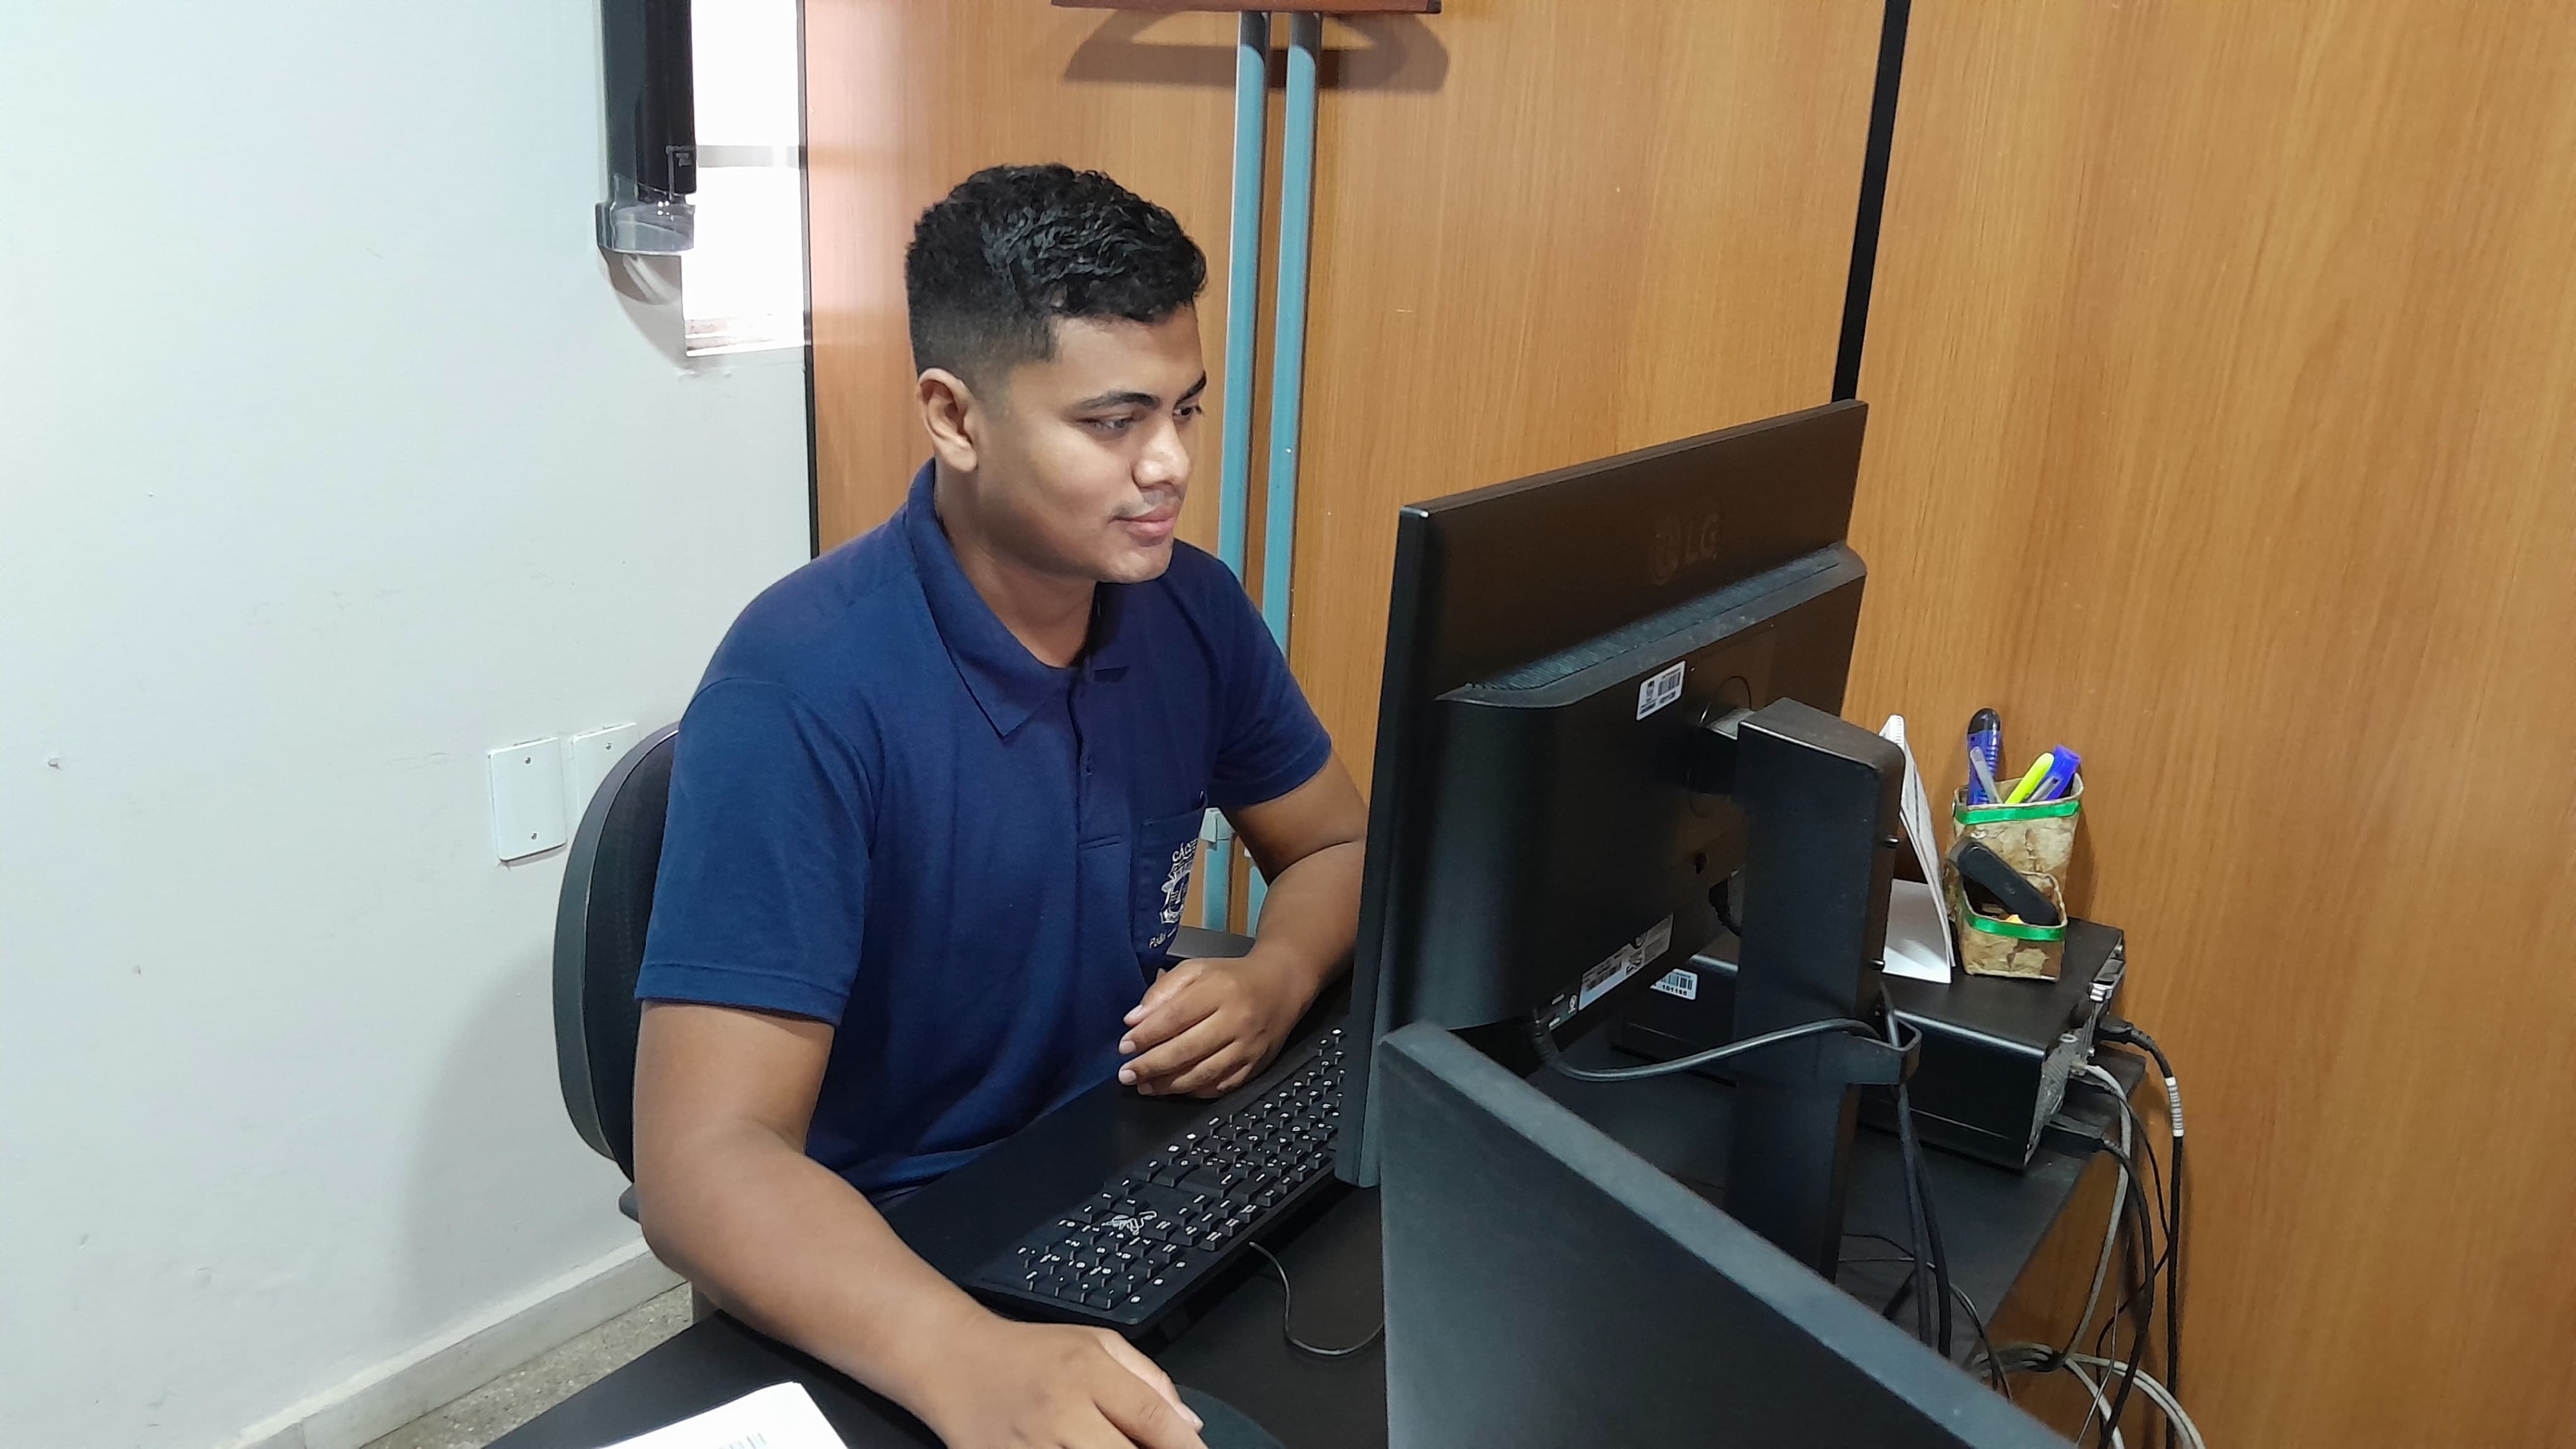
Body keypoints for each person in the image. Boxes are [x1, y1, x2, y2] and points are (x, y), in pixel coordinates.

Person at [628, 164, 1365, 1449]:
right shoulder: (801, 686)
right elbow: (703, 1163)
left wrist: (1277, 974)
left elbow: (1340, 843)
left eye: (1185, 409)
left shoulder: (1188, 608)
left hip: (1118, 1169)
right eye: (1112, 421)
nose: (1170, 464)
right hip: (895, 1252)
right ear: (953, 416)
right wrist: (959, 1353)